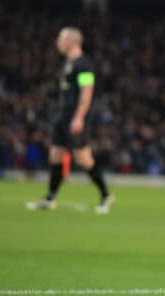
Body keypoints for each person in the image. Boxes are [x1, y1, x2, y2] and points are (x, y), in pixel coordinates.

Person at [26, 28, 113, 213]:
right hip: (62, 116)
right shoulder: (68, 63)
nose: (58, 42)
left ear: (71, 42)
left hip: (75, 118)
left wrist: (79, 118)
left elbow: (87, 93)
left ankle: (106, 195)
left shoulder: (84, 64)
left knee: (83, 159)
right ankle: (50, 198)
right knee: (55, 155)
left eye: (61, 39)